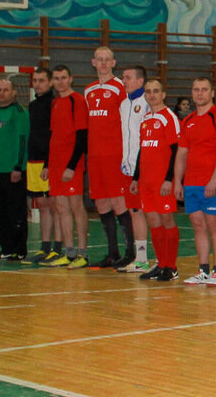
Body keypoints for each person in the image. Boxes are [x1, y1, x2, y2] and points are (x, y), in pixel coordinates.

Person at [175, 78, 216, 285]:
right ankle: (203, 270)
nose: (200, 93)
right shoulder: (188, 120)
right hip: (191, 182)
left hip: (213, 183)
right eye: (196, 89)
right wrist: (177, 181)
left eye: (204, 89)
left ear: (212, 93)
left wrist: (214, 180)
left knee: (214, 225)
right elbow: (182, 153)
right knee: (198, 226)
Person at [85, 47, 135, 269]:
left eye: (107, 60)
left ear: (114, 63)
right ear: (93, 62)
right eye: (100, 59)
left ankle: (130, 253)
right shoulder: (88, 90)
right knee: (101, 203)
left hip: (115, 154)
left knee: (118, 201)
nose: (103, 63)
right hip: (95, 155)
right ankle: (112, 253)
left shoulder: (120, 88)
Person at [131, 79, 181, 282]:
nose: (152, 95)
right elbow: (142, 150)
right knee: (153, 222)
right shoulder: (145, 119)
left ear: (163, 94)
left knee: (167, 220)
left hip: (163, 181)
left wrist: (169, 179)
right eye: (148, 91)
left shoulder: (169, 117)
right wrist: (136, 178)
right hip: (146, 181)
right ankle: (161, 264)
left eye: (156, 91)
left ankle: (172, 267)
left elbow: (176, 150)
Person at [42, 65, 89, 269]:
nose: (60, 82)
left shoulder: (77, 100)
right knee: (61, 208)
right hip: (55, 165)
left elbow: (82, 135)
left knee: (76, 207)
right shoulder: (55, 103)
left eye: (63, 77)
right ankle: (69, 254)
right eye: (57, 78)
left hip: (71, 165)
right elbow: (53, 135)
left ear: (71, 79)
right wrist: (47, 165)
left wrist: (71, 165)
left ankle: (82, 254)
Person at [0, 78, 30, 261]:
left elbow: (23, 140)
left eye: (6, 90)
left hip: (13, 171)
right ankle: (6, 248)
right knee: (0, 212)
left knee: (16, 211)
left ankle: (19, 250)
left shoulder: (19, 112)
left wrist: (18, 167)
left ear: (13, 93)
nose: (2, 93)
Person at [25, 67, 62, 265]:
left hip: (49, 163)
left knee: (55, 206)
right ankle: (45, 247)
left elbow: (53, 135)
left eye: (41, 80)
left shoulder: (54, 104)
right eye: (35, 80)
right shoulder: (32, 106)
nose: (38, 84)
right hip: (33, 162)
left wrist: (49, 163)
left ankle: (58, 248)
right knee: (41, 205)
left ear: (50, 83)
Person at [117, 65, 151, 274]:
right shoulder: (123, 104)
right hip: (128, 168)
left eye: (128, 78)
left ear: (140, 81)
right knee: (135, 212)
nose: (124, 81)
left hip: (145, 169)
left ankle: (165, 261)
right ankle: (142, 259)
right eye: (123, 78)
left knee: (152, 214)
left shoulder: (147, 103)